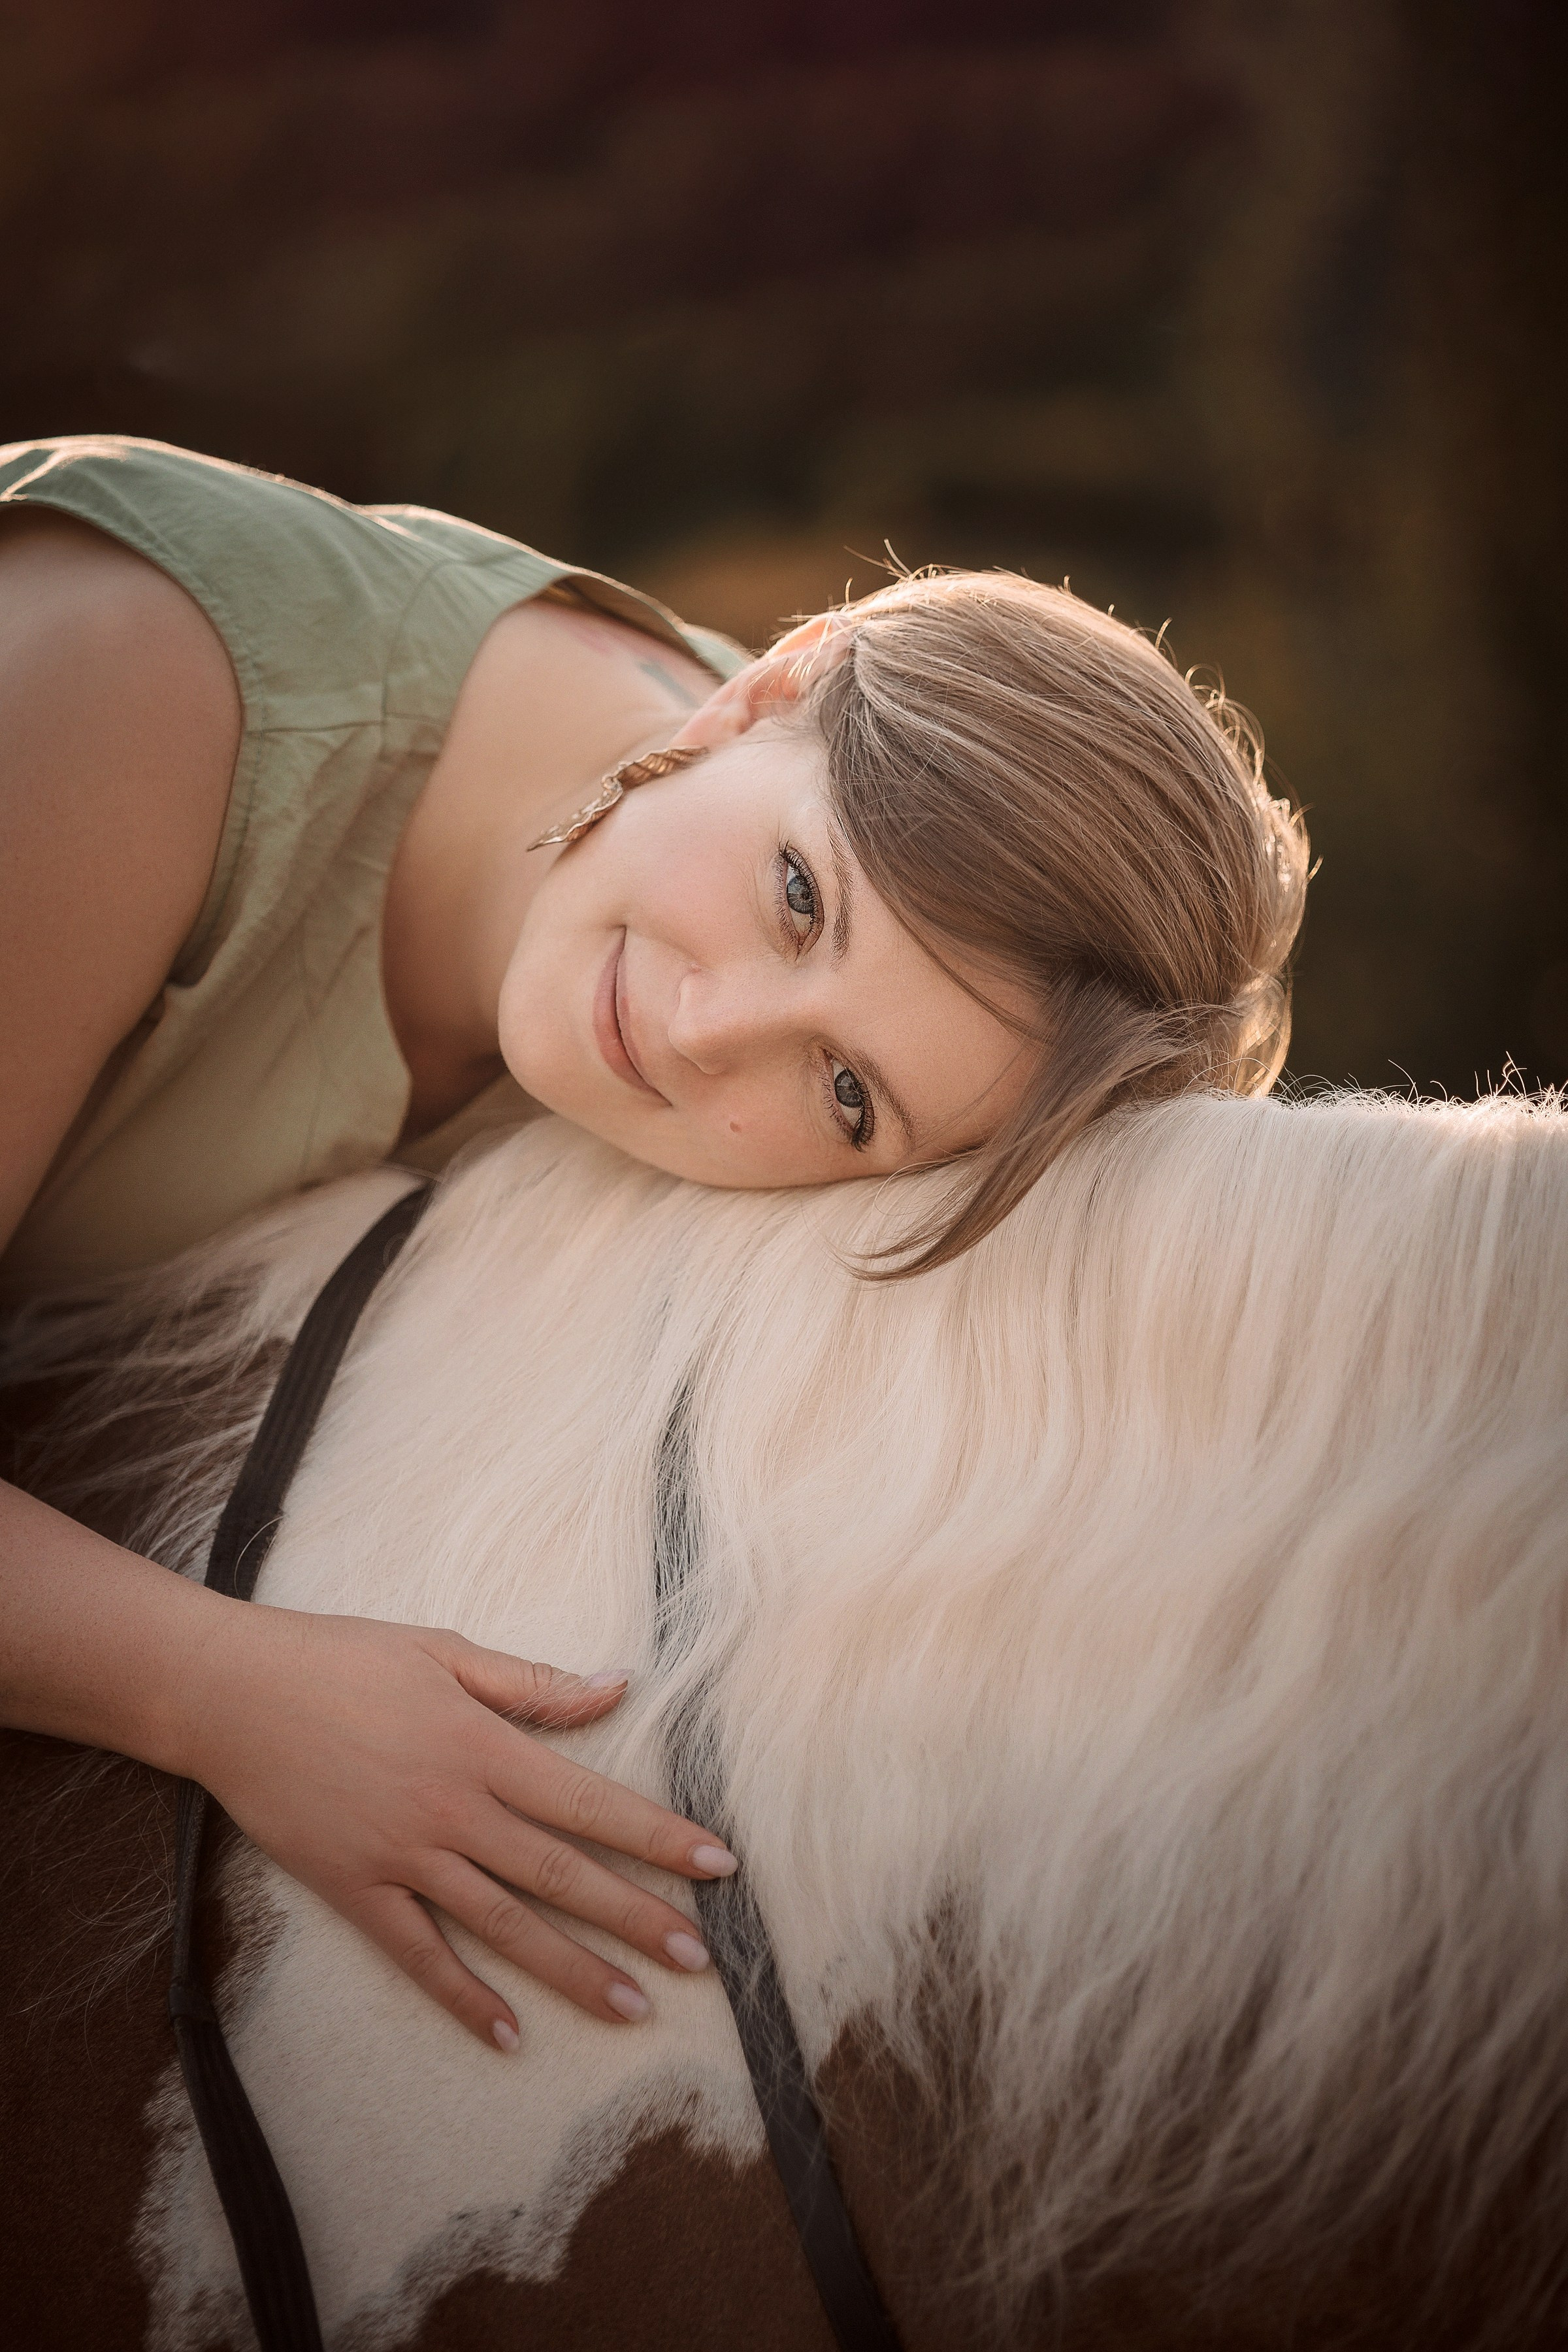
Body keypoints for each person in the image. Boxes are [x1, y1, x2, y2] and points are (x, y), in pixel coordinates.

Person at [0, 434, 1308, 2057]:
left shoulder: (740, 838)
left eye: (845, 1091)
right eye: (798, 898)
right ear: (772, 687)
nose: (708, 1034)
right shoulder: (134, 685)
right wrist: (222, 1691)